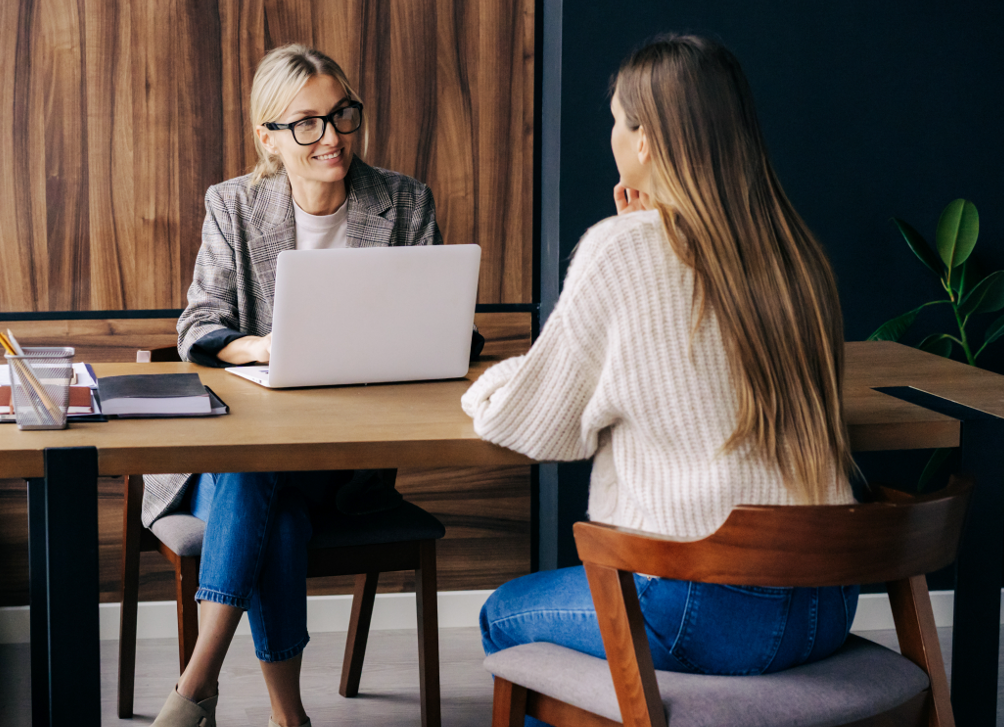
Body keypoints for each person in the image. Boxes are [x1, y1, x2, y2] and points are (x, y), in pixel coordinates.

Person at [462, 33, 859, 719]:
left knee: (502, 614)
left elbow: (531, 419)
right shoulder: (797, 253)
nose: (612, 134)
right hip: (830, 601)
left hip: (706, 609)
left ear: (646, 142)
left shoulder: (622, 251)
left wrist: (488, 383)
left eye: (618, 119)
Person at [146, 44, 443, 727]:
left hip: (344, 461)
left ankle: (195, 689)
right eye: (306, 123)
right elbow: (199, 323)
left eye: (342, 115)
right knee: (261, 481)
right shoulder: (235, 205)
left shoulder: (403, 202)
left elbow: (434, 328)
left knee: (269, 490)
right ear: (268, 139)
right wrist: (261, 347)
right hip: (235, 459)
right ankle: (287, 718)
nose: (332, 137)